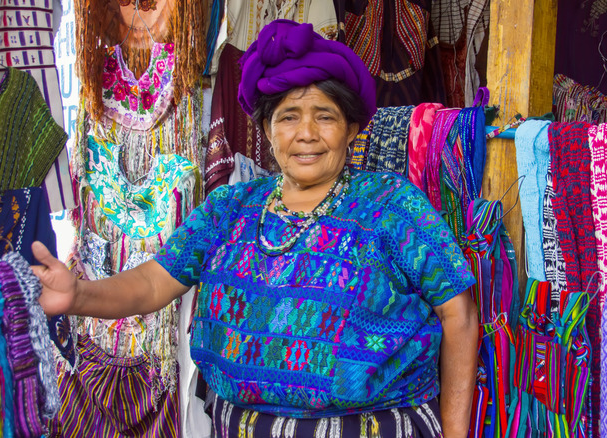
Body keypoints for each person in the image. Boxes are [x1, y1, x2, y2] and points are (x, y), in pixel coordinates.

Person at [33, 19, 479, 438]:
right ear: (266, 128)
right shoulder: (230, 208)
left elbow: (459, 314)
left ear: (352, 128)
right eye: (288, 116)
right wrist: (78, 295)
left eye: (324, 115)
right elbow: (153, 282)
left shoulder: (392, 205)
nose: (306, 133)